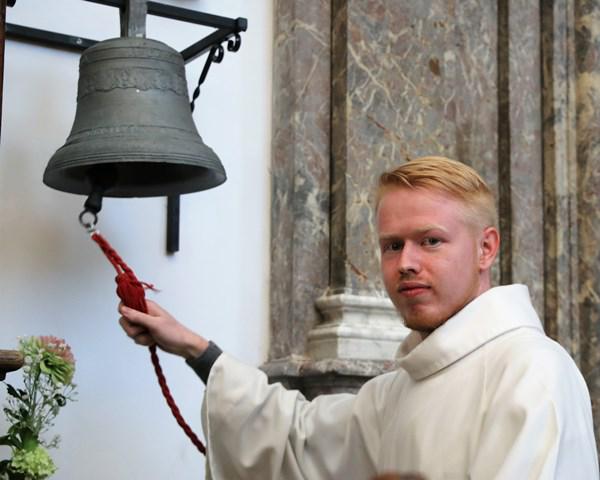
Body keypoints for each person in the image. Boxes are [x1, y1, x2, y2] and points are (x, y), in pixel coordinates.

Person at [119, 156, 599, 479]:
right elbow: (297, 441)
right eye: (393, 245)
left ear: (485, 248)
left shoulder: (529, 371)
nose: (406, 262)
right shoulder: (396, 392)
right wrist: (194, 349)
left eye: (430, 240)